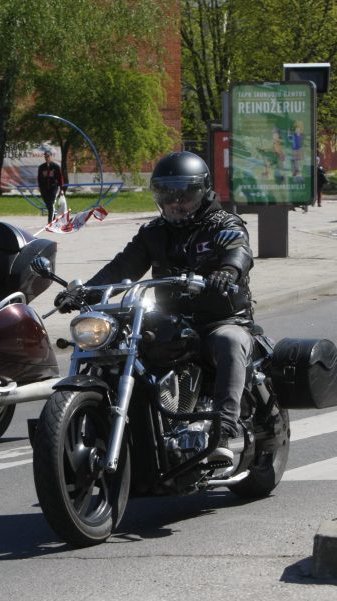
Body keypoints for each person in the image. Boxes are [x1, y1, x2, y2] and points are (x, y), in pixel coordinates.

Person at [54, 151, 254, 466]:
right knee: (119, 347)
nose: (175, 202)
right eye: (167, 194)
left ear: (201, 191)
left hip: (220, 318)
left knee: (231, 342)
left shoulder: (222, 223)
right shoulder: (154, 232)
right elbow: (123, 267)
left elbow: (239, 249)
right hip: (170, 320)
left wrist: (228, 271)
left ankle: (224, 430)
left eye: (184, 194)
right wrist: (82, 293)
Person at [36, 148, 65, 225]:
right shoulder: (41, 167)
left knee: (51, 204)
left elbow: (60, 178)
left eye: (48, 156)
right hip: (44, 189)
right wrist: (39, 187)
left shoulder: (55, 166)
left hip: (53, 188)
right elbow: (39, 178)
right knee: (49, 205)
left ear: (51, 157)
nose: (47, 158)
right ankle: (54, 219)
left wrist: (62, 189)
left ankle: (50, 222)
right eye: (45, 157)